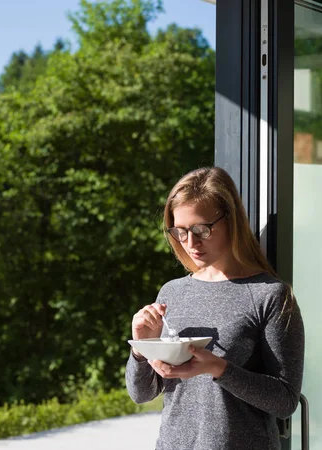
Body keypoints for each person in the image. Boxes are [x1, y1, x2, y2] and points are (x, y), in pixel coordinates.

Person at [125, 167, 304, 450]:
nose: (191, 244)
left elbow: (285, 401)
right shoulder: (173, 292)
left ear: (231, 221)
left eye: (201, 230)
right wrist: (141, 348)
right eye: (180, 232)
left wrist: (218, 368)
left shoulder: (270, 295)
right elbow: (141, 393)